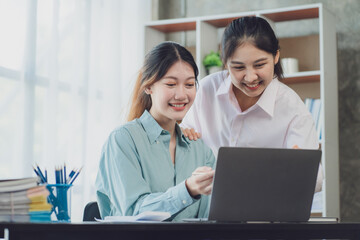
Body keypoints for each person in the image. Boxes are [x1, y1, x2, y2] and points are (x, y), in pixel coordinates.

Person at [181, 16, 323, 192]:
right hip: (206, 208)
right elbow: (183, 147)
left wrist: (296, 167)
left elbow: (316, 180)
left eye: (260, 65)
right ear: (225, 63)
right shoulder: (207, 90)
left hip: (265, 211)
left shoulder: (292, 108)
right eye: (239, 68)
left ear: (276, 56)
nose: (250, 77)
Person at [95, 41, 215, 222]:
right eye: (171, 84)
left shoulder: (200, 150)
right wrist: (187, 189)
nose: (181, 95)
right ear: (148, 86)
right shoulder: (122, 141)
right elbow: (134, 213)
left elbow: (210, 220)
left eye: (189, 85)